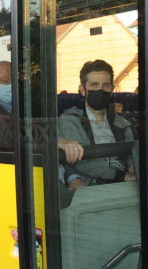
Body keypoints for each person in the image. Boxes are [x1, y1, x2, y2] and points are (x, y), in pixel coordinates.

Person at [57, 59, 138, 191]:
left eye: (105, 85)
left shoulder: (123, 124)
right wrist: (121, 175)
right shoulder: (70, 121)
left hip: (124, 186)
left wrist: (133, 168)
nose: (100, 89)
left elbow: (132, 156)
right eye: (94, 85)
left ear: (112, 89)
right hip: (91, 187)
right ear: (83, 90)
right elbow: (81, 162)